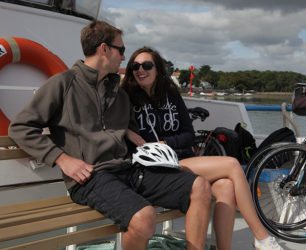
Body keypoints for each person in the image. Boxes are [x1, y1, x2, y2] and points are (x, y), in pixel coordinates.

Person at [8, 21, 212, 250]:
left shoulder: (119, 94)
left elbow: (129, 129)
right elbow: (20, 127)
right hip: (90, 176)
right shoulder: (63, 84)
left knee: (200, 187)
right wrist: (62, 159)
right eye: (121, 50)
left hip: (129, 169)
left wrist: (132, 133)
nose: (124, 58)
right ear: (104, 49)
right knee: (144, 217)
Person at [122, 46, 284, 250]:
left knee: (226, 186)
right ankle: (261, 237)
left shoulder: (171, 95)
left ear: (157, 69)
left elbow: (189, 136)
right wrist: (129, 132)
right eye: (135, 66)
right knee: (232, 164)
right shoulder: (126, 97)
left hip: (180, 158)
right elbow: (114, 127)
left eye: (147, 65)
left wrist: (166, 143)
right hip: (156, 167)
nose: (140, 70)